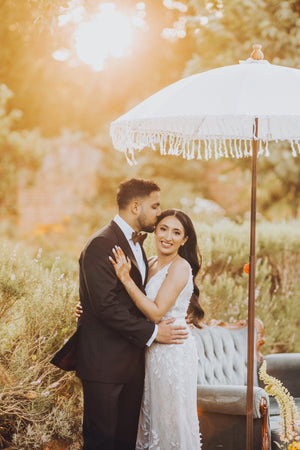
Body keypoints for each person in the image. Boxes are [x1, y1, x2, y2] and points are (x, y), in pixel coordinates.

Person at [75, 178, 189, 450]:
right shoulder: (102, 243)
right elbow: (105, 306)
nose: (159, 212)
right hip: (105, 365)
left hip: (134, 363)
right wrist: (153, 332)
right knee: (102, 443)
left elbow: (133, 298)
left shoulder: (141, 246)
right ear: (136, 207)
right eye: (155, 206)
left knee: (126, 442)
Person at [109, 208, 203, 449]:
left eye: (176, 232)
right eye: (163, 229)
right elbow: (133, 305)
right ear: (155, 231)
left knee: (170, 421)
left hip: (173, 350)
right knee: (150, 417)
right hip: (151, 348)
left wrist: (126, 278)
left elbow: (156, 311)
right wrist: (88, 309)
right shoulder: (149, 262)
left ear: (185, 239)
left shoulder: (180, 267)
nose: (167, 237)